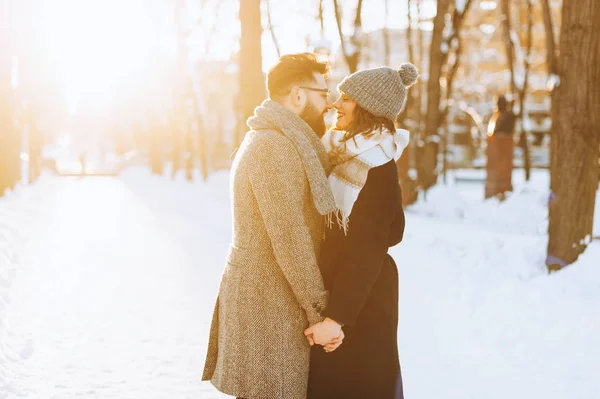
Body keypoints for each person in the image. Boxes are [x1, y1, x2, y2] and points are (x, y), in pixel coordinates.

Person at [202, 53, 344, 399]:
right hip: (268, 310)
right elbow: (290, 238)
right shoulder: (273, 147)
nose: (330, 102)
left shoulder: (280, 140)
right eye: (323, 93)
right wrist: (318, 312)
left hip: (271, 304)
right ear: (297, 95)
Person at [305, 63, 418, 399]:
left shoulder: (376, 166)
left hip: (363, 303)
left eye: (346, 99)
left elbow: (366, 249)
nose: (336, 104)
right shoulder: (343, 153)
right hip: (348, 294)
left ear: (367, 108)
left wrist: (336, 320)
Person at [485, 95, 516, 199]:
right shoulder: (497, 117)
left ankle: (503, 188)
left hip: (502, 146)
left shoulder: (509, 116)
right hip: (497, 146)